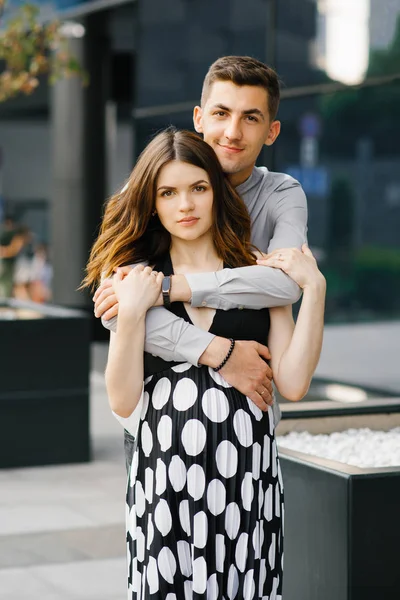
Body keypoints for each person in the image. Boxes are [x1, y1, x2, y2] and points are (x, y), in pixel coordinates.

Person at [83, 128, 325, 598]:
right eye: (167, 193)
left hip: (247, 484)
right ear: (152, 203)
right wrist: (133, 314)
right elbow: (122, 400)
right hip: (165, 485)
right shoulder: (137, 279)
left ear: (216, 190)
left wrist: (313, 290)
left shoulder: (256, 272)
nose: (185, 205)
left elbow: (293, 382)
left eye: (198, 188)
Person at [93, 56, 308, 468]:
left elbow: (285, 285)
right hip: (159, 428)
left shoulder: (282, 195)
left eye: (251, 118)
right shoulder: (143, 193)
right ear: (199, 117)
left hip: (247, 429)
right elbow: (121, 311)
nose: (232, 132)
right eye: (221, 113)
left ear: (272, 131)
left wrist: (171, 289)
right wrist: (222, 353)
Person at [0, 216, 28, 299]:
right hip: (8, 264)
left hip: (17, 264)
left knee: (18, 285)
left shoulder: (17, 236)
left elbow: (14, 250)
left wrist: (4, 252)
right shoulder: (6, 234)